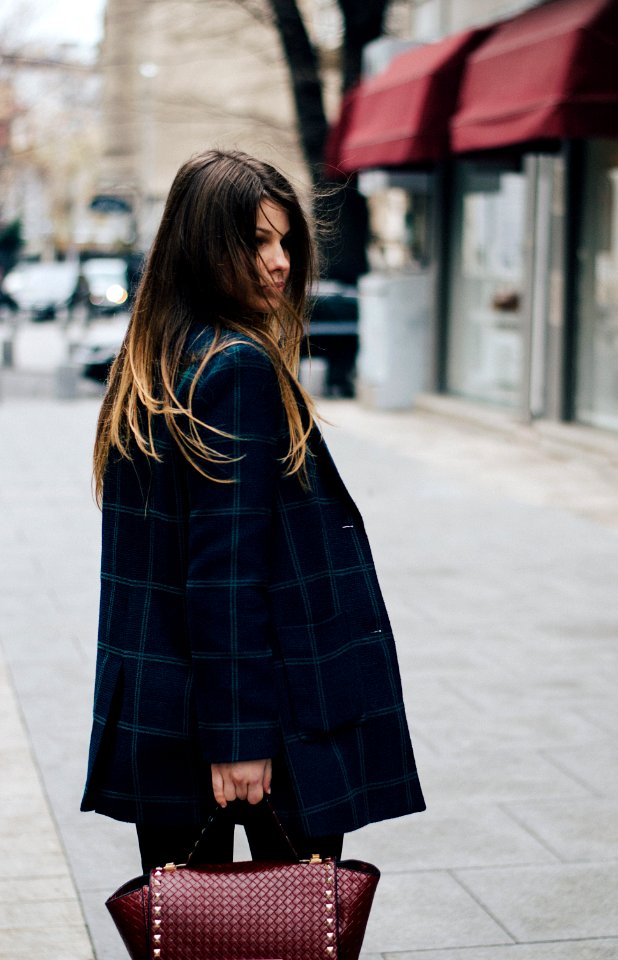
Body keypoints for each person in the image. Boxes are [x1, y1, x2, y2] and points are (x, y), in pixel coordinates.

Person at [81, 149, 425, 873]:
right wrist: (238, 738)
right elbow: (224, 571)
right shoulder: (234, 367)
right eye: (257, 242)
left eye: (285, 241)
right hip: (263, 716)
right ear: (205, 250)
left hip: (169, 706)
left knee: (188, 936)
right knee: (296, 934)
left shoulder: (158, 359)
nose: (279, 262)